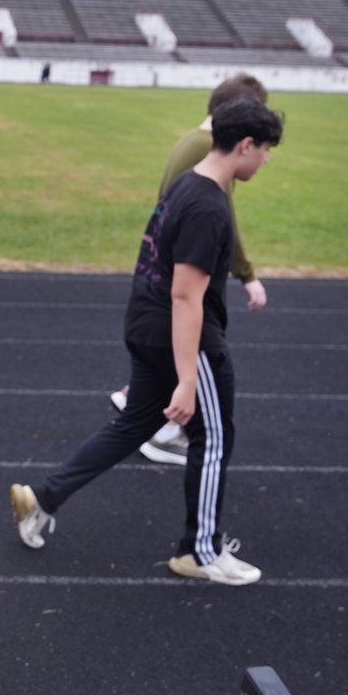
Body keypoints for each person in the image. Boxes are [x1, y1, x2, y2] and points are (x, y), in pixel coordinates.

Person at [11, 98, 284, 586]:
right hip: (184, 337)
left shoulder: (188, 184)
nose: (265, 160)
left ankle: (44, 498)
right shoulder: (209, 207)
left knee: (134, 423)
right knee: (213, 438)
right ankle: (198, 552)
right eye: (265, 150)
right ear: (245, 145)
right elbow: (185, 297)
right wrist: (185, 381)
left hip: (144, 322)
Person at [116, 73, 271, 465]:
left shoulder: (193, 139)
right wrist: (247, 273)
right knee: (193, 356)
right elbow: (219, 218)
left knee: (174, 362)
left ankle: (139, 401)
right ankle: (165, 428)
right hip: (182, 271)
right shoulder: (209, 151)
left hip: (168, 270)